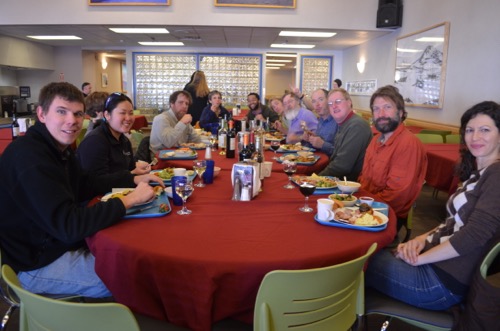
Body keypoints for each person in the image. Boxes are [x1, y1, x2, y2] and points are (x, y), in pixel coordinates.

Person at [0, 82, 164, 298]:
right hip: (35, 264)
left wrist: (133, 178)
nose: (72, 121)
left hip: (57, 244)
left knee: (135, 250)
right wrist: (129, 200)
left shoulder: (57, 148)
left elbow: (86, 184)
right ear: (41, 114)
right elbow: (69, 225)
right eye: (62, 112)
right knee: (130, 276)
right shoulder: (31, 158)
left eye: (78, 114)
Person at [366, 101, 500, 310]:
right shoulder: (479, 174)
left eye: (485, 130)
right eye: (470, 130)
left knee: (354, 262)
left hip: (441, 284)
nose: (475, 137)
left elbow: (474, 235)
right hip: (438, 269)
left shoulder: (496, 175)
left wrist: (420, 259)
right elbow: (452, 223)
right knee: (375, 252)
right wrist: (420, 240)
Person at [358, 85, 427, 223]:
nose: (381, 113)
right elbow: (363, 178)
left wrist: (360, 209)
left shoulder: (408, 144)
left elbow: (397, 196)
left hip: (386, 216)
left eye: (387, 107)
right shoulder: (375, 140)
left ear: (400, 113)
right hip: (365, 205)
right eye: (376, 109)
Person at [78, 92, 151, 176]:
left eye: (131, 113)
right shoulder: (95, 141)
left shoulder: (125, 141)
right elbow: (95, 182)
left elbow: (129, 168)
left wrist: (136, 171)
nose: (128, 118)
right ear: (107, 115)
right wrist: (131, 175)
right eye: (122, 113)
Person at [318, 88, 372, 180]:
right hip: (340, 181)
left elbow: (341, 166)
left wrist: (314, 180)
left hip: (350, 186)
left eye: (338, 101)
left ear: (349, 102)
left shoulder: (356, 126)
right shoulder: (344, 124)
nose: (334, 106)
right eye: (330, 104)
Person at [302, 88, 338, 156]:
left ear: (329, 100)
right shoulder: (320, 120)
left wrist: (323, 145)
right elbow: (317, 144)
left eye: (321, 99)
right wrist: (310, 139)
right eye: (314, 101)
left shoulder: (338, 121)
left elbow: (342, 153)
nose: (317, 104)